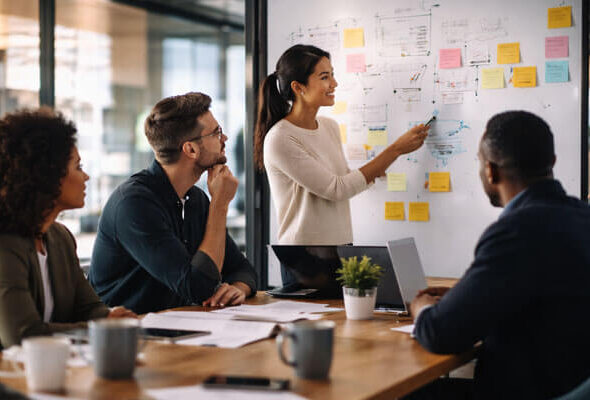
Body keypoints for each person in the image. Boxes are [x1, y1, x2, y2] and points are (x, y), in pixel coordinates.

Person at [408, 111, 590, 400]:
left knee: (416, 393)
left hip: (527, 389)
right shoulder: (582, 215)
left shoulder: (515, 231)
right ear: (552, 163)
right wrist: (463, 295)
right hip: (571, 382)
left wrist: (421, 308)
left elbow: (440, 333)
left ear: (490, 171)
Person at [254, 44, 429, 285]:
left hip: (341, 247)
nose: (334, 84)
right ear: (298, 87)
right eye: (324, 77)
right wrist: (395, 150)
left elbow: (346, 178)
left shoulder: (329, 127)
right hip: (305, 255)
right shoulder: (281, 137)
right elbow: (337, 189)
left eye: (332, 74)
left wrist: (381, 168)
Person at [90, 92, 257, 314]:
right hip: (130, 335)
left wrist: (238, 288)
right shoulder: (134, 204)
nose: (224, 138)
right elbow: (197, 287)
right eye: (216, 133)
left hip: (179, 327)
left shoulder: (195, 199)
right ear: (190, 149)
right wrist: (220, 205)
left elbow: (243, 269)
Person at [0, 108, 136, 349]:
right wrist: (98, 328)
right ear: (47, 174)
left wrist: (110, 317)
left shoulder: (59, 237)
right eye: (78, 166)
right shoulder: (6, 243)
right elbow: (21, 334)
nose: (85, 177)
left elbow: (88, 308)